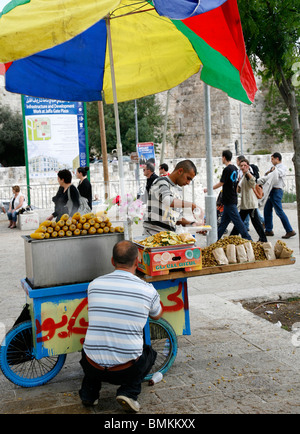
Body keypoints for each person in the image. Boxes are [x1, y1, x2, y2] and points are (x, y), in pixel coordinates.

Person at [79, 240, 162, 412]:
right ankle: (129, 392)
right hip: (125, 370)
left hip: (91, 365)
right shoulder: (147, 290)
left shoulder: (94, 285)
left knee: (91, 350)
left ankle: (89, 395)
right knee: (149, 353)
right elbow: (157, 314)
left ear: (112, 261)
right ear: (138, 262)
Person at [143, 159, 203, 235]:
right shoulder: (160, 182)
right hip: (153, 235)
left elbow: (177, 219)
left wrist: (193, 224)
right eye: (188, 178)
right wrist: (191, 205)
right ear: (180, 171)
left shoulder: (178, 190)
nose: (188, 183)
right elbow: (168, 200)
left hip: (169, 236)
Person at [204, 150, 251, 241]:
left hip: (229, 200)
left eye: (222, 157)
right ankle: (215, 239)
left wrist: (209, 189)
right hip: (231, 198)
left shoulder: (227, 169)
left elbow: (222, 183)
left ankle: (248, 238)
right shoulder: (235, 168)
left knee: (238, 221)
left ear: (224, 157)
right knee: (223, 223)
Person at [260, 152, 296, 239]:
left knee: (279, 211)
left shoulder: (282, 167)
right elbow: (266, 174)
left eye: (272, 159)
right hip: (271, 191)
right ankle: (268, 229)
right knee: (267, 209)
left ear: (277, 159)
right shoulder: (273, 168)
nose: (271, 161)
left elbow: (278, 174)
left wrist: (273, 170)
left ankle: (289, 230)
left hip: (277, 191)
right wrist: (271, 170)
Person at [230, 158, 267, 242]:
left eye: (244, 165)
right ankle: (232, 237)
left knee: (255, 223)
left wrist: (247, 172)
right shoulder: (242, 176)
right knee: (239, 222)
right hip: (245, 204)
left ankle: (263, 239)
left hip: (250, 204)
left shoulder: (248, 175)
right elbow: (238, 190)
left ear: (247, 166)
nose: (242, 167)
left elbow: (253, 182)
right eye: (241, 165)